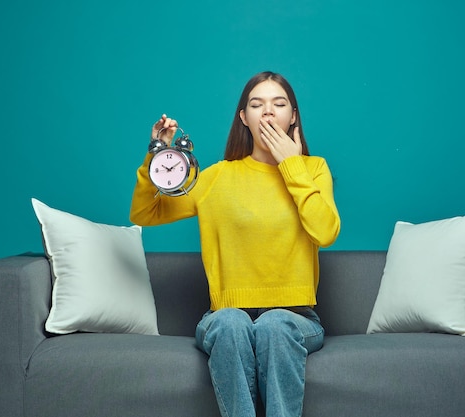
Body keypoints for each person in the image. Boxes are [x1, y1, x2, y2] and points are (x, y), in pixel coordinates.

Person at [130, 71, 341, 417]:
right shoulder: (217, 177)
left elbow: (326, 231)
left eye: (279, 104)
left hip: (295, 318)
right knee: (230, 323)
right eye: (257, 105)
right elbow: (145, 211)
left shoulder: (313, 169)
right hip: (227, 317)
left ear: (293, 117)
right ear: (244, 118)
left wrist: (291, 164)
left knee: (275, 324)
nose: (268, 113)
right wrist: (158, 155)